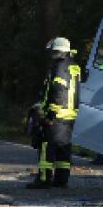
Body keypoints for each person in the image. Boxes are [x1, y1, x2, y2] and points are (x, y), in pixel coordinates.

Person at [27, 37, 80, 189]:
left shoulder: (59, 66)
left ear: (57, 51)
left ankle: (43, 179)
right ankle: (61, 180)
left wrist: (50, 115)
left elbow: (58, 92)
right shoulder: (73, 65)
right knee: (63, 149)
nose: (51, 55)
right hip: (69, 115)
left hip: (57, 116)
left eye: (53, 52)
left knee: (46, 147)